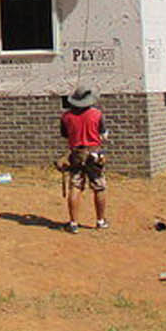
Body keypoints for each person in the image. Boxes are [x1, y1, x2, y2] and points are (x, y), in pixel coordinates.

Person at [59, 86, 108, 232]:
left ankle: (73, 223)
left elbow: (65, 135)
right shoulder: (97, 114)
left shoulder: (66, 117)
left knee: (75, 186)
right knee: (99, 187)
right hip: (94, 153)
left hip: (76, 153)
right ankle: (100, 221)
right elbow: (103, 133)